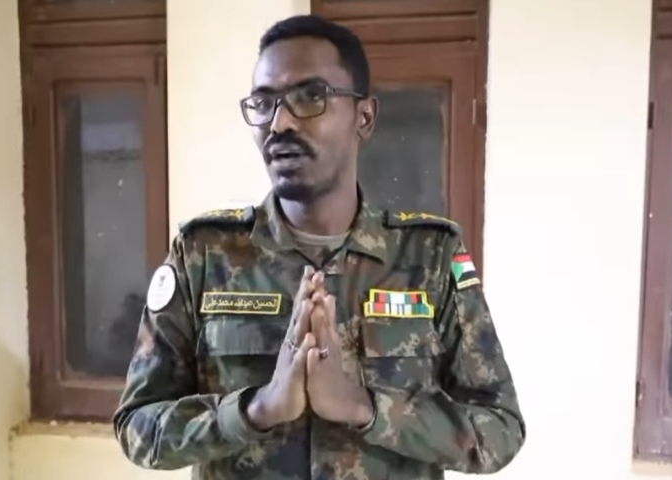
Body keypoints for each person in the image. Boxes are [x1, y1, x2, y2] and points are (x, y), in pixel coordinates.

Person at [112, 14, 525, 480]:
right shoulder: (203, 255)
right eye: (264, 103)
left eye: (311, 96)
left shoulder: (429, 257)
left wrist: (366, 408)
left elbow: (500, 430)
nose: (280, 122)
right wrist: (257, 410)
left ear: (364, 117)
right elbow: (137, 427)